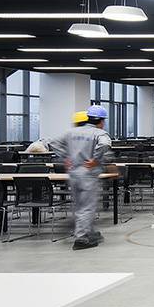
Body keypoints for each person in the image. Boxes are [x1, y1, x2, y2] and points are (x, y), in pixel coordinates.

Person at [50, 104, 112, 250]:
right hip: (88, 174)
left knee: (79, 206)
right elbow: (105, 145)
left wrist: (65, 157)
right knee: (87, 207)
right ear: (102, 121)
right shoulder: (99, 134)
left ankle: (89, 232)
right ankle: (81, 238)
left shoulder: (71, 132)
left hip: (74, 173)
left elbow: (52, 142)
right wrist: (95, 159)